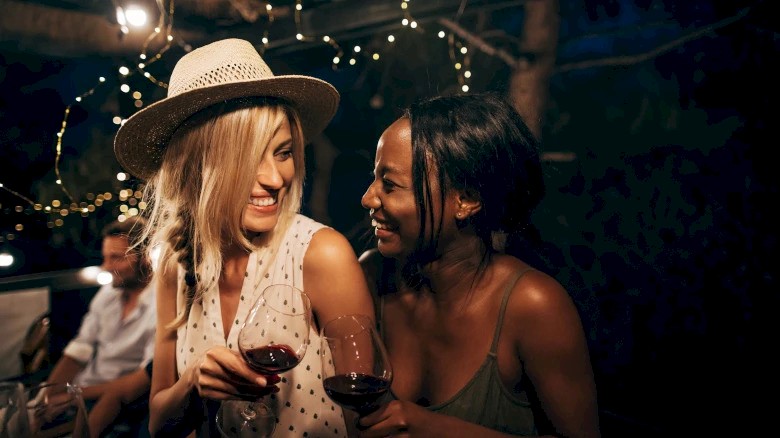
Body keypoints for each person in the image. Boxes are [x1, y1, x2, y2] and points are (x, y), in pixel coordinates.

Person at [113, 38, 374, 437]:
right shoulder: (176, 263)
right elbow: (158, 424)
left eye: (283, 153)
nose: (275, 178)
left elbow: (370, 419)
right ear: (197, 168)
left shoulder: (321, 255)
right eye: (249, 158)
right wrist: (195, 383)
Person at [358, 92, 601, 437]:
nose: (368, 197)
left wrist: (434, 428)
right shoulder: (371, 277)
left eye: (390, 184)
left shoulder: (533, 306)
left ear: (467, 200)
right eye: (374, 177)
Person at [45, 216, 156, 437]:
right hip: (81, 393)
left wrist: (72, 394)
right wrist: (48, 395)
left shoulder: (161, 303)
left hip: (120, 403)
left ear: (145, 257)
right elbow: (79, 349)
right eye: (105, 257)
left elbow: (145, 378)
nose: (106, 267)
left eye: (116, 258)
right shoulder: (108, 294)